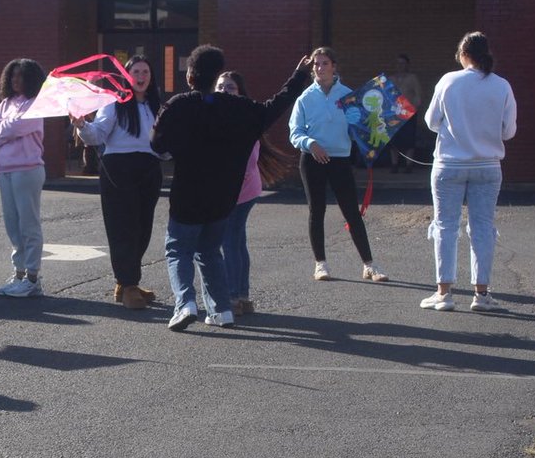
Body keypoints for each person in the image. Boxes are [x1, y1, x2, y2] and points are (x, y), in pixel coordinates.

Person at [151, 44, 312, 331]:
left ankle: (185, 303)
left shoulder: (178, 105)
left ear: (190, 75)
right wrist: (299, 76)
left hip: (188, 194)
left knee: (178, 249)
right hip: (224, 197)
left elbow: (157, 144)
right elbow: (275, 106)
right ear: (216, 76)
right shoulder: (241, 108)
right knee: (210, 251)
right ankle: (221, 309)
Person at [420, 31, 517, 312]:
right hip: (488, 165)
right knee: (483, 228)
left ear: (463, 54)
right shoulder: (502, 86)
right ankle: (482, 294)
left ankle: (444, 293)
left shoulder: (448, 81)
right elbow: (509, 131)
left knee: (445, 226)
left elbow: (431, 121)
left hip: (449, 164)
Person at [289, 46, 388, 284]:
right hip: (312, 160)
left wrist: (377, 130)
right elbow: (295, 132)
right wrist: (310, 143)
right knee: (317, 210)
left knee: (352, 212)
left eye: (324, 63)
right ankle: (320, 264)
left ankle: (369, 265)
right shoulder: (305, 98)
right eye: (316, 64)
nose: (319, 68)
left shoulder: (349, 96)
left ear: (334, 66)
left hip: (340, 160)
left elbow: (363, 130)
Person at [72, 55, 164, 310]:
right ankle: (128, 283)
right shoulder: (114, 104)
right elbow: (96, 135)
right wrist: (82, 124)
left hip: (149, 168)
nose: (141, 76)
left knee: (143, 227)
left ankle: (127, 283)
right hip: (118, 168)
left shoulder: (158, 106)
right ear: (127, 75)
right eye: (136, 71)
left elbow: (165, 147)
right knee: (123, 227)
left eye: (146, 71)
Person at [209, 70, 294, 317]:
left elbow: (246, 161)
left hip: (240, 190)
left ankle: (234, 296)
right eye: (220, 86)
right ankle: (243, 296)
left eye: (230, 87)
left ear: (240, 92)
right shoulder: (221, 115)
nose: (224, 90)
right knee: (237, 241)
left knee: (229, 241)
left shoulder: (243, 117)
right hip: (240, 188)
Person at [0, 58, 47, 297]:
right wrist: (6, 127)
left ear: (31, 79)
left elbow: (12, 128)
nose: (15, 80)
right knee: (12, 224)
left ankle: (33, 278)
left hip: (28, 169)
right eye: (12, 76)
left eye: (21, 76)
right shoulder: (5, 104)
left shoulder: (37, 104)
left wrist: (4, 128)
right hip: (5, 169)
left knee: (28, 223)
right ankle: (19, 273)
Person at [388, 53, 423, 173]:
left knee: (409, 140)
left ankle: (409, 165)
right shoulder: (391, 79)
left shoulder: (412, 78)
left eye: (402, 63)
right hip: (394, 114)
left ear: (407, 65)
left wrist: (414, 108)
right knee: (394, 141)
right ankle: (394, 164)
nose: (400, 66)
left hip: (409, 113)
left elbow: (418, 95)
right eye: (398, 63)